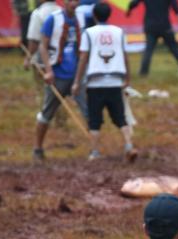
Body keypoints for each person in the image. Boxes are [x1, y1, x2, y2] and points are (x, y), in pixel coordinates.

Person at [72, 2, 137, 162]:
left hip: (95, 82)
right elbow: (125, 56)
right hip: (115, 80)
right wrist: (127, 79)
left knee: (94, 119)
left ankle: (94, 151)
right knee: (120, 117)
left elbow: (83, 58)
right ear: (110, 15)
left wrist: (77, 81)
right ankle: (129, 145)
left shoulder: (88, 33)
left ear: (94, 15)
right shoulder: (119, 32)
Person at [34, 0, 88, 162]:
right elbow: (42, 46)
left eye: (76, 1)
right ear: (64, 2)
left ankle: (95, 149)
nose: (74, 4)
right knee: (46, 114)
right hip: (57, 74)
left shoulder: (82, 18)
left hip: (77, 75)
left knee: (89, 113)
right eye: (71, 1)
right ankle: (38, 148)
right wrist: (48, 70)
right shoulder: (53, 19)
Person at [127, 0, 178, 76]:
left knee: (148, 50)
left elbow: (133, 3)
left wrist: (129, 11)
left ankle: (143, 72)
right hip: (164, 26)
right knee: (174, 48)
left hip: (150, 26)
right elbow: (176, 8)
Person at [24, 0, 59, 70]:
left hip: (43, 61)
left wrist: (28, 58)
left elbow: (34, 41)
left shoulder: (38, 13)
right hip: (61, 59)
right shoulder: (61, 11)